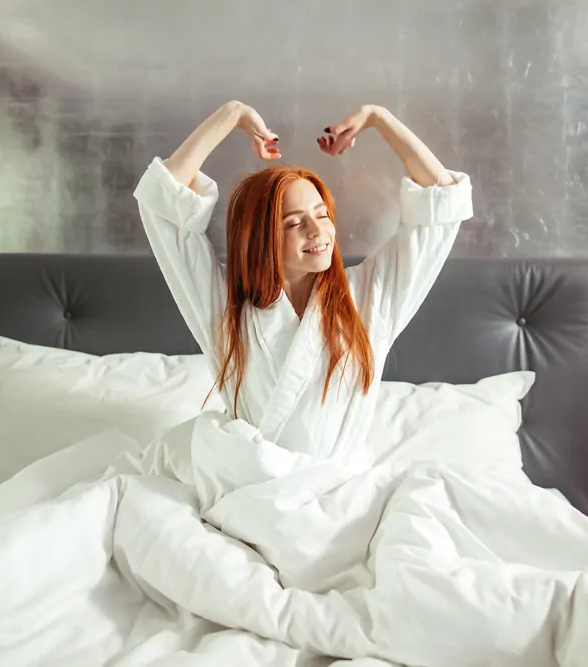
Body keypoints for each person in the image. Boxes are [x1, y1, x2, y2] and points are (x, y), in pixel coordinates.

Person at [133, 100, 473, 465]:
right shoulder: (225, 306)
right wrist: (232, 115)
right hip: (250, 488)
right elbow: (163, 200)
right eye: (295, 223)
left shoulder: (369, 296)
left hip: (337, 492)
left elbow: (442, 202)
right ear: (260, 237)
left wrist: (379, 118)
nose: (318, 232)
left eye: (322, 214)